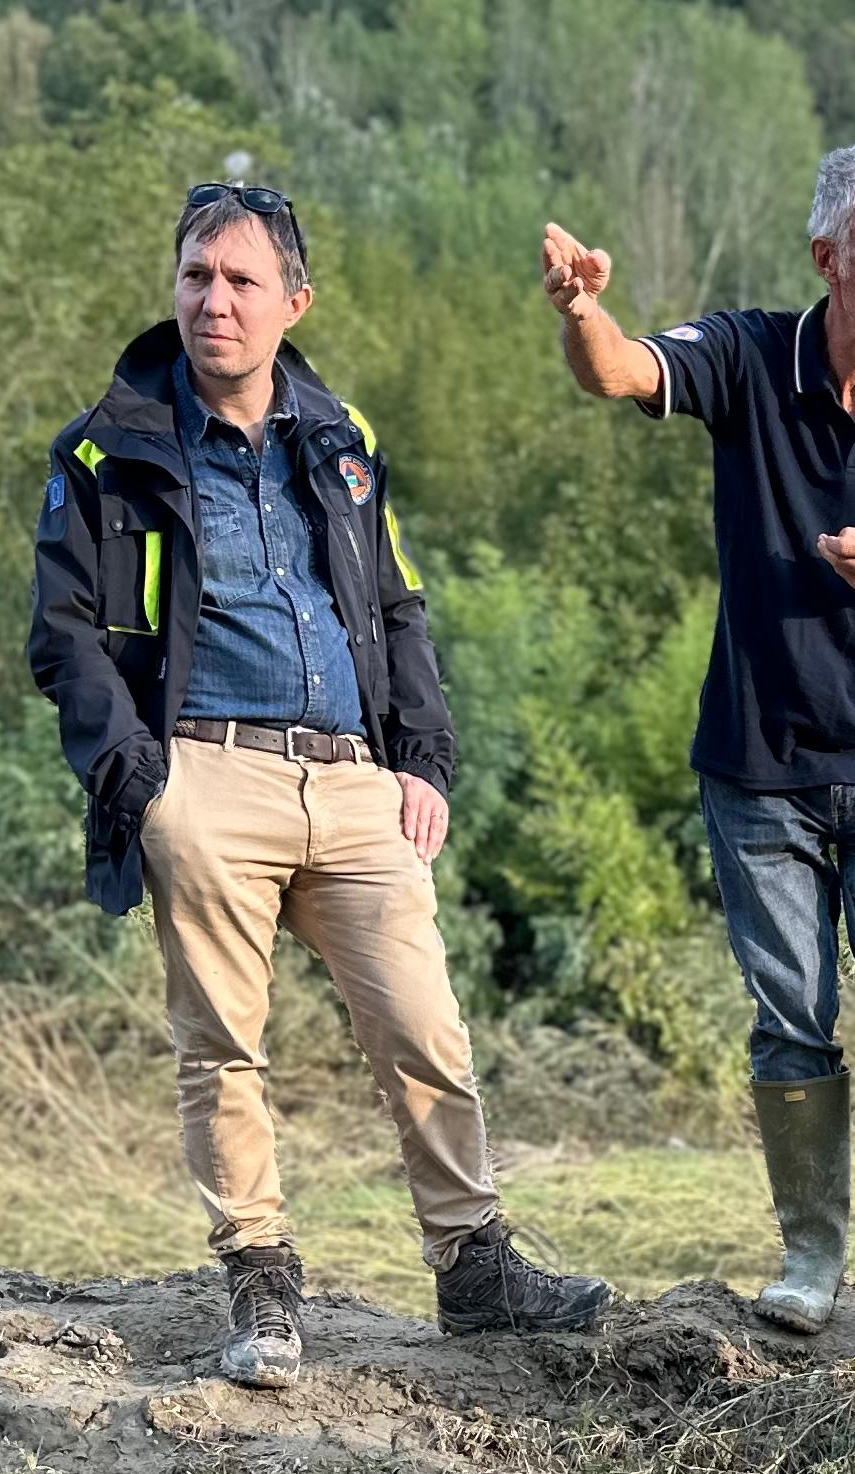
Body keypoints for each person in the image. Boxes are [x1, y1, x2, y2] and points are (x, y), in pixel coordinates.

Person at [33, 181, 607, 1387]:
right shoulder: (106, 448)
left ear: (294, 301)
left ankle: (475, 1269)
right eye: (196, 276)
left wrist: (423, 758)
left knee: (423, 1026)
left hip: (352, 781)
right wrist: (145, 780)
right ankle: (261, 1283)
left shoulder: (343, 439)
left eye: (242, 282)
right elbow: (65, 634)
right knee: (222, 1048)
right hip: (206, 770)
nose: (214, 302)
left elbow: (396, 605)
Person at [538, 142, 855, 1364]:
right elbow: (622, 374)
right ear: (830, 256)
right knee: (790, 1019)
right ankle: (813, 1256)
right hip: (757, 763)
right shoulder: (753, 356)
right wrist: (585, 310)